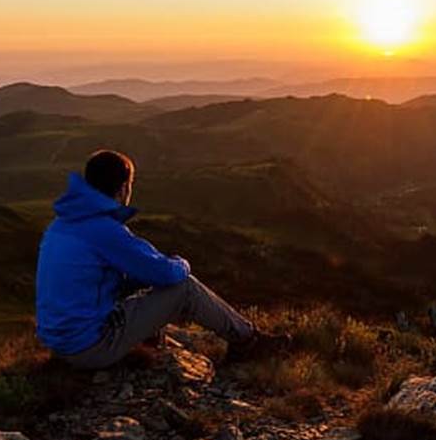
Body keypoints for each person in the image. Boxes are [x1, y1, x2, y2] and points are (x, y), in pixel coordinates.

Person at [36, 149, 280, 369]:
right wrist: (182, 263)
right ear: (123, 189)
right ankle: (249, 342)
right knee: (184, 288)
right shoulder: (103, 229)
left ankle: (152, 339)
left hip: (60, 344)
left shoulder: (62, 223)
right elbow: (166, 273)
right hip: (89, 348)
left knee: (135, 283)